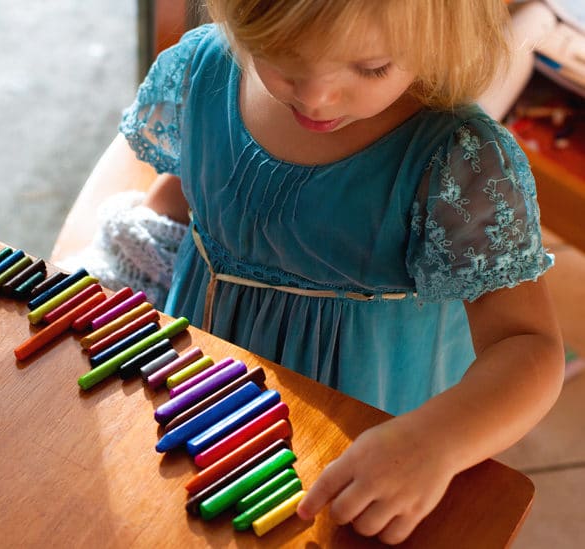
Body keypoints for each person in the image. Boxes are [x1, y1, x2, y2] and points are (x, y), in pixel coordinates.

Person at [52, 0, 565, 543]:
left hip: (362, 438)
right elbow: (200, 188)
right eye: (284, 59)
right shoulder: (206, 70)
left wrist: (435, 443)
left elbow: (528, 345)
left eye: (371, 68)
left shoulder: (461, 163)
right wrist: (116, 263)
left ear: (437, 37)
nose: (316, 96)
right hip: (203, 390)